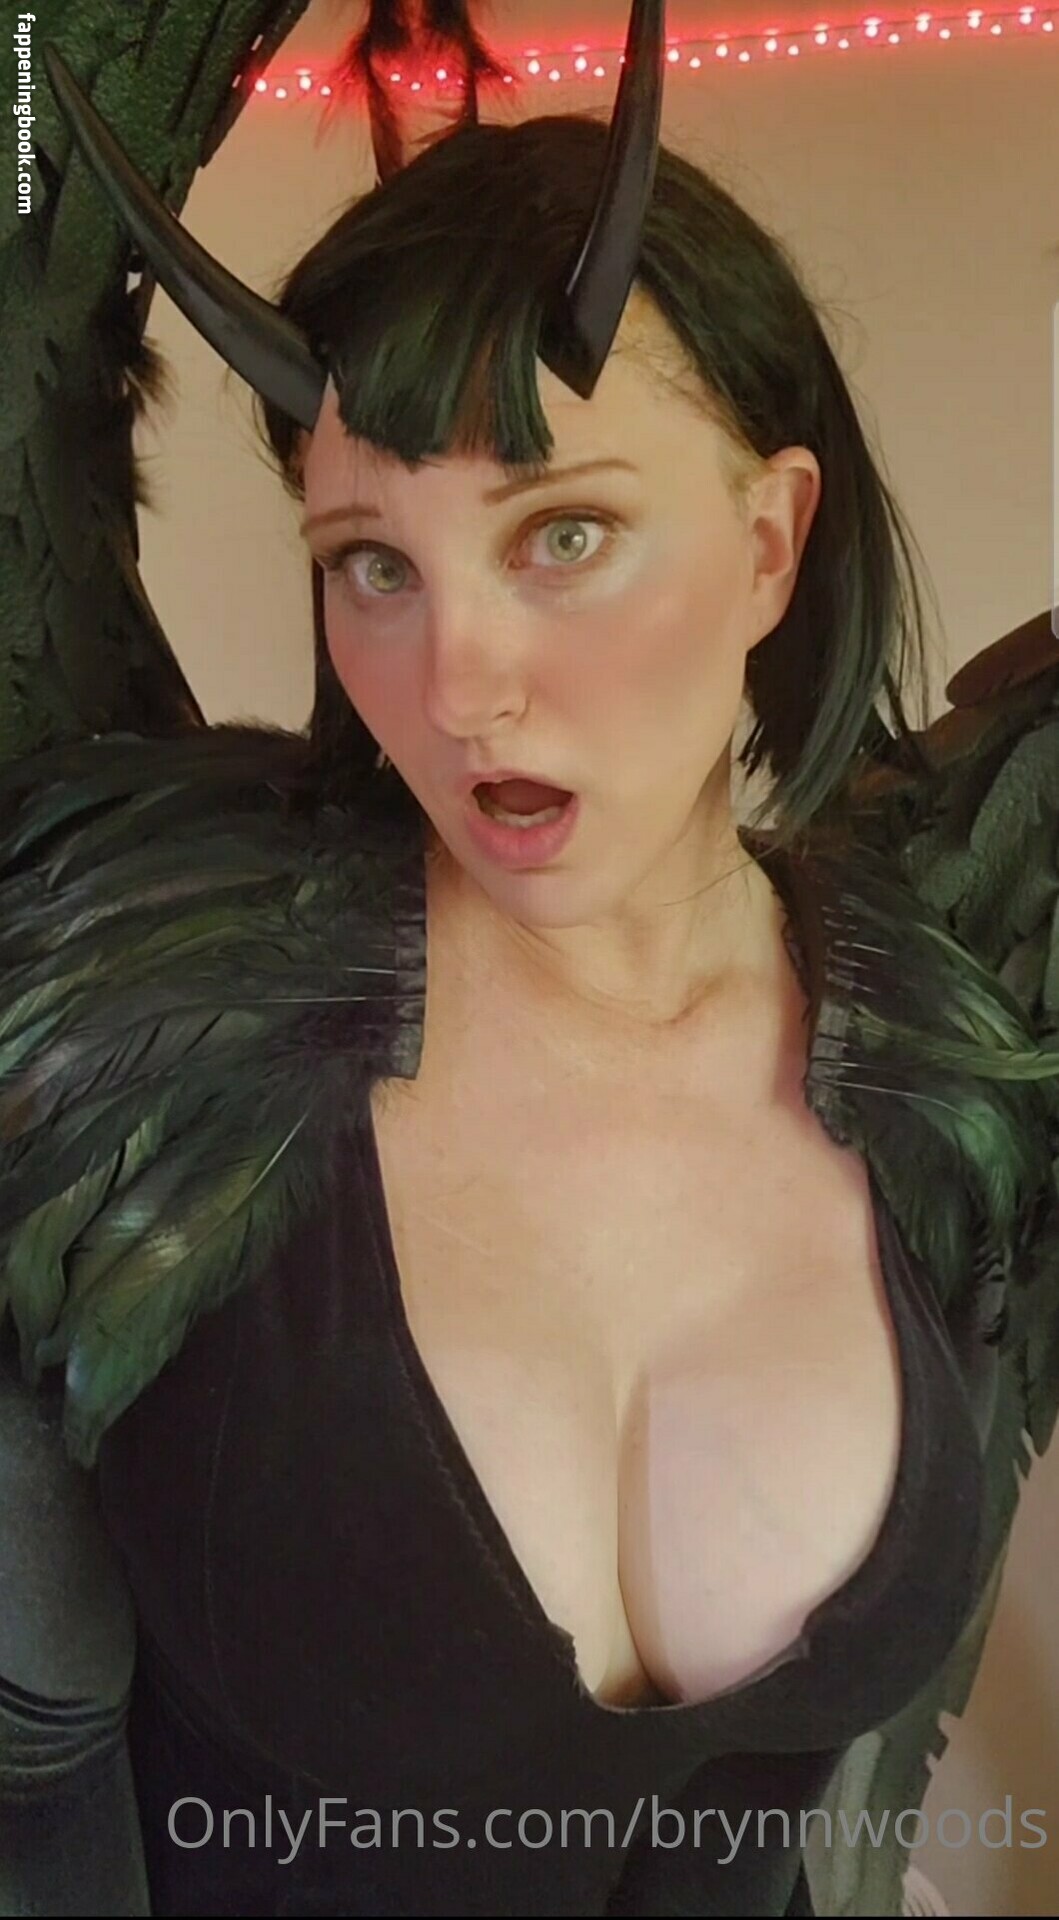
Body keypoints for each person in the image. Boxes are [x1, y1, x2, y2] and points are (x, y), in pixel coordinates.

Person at [1, 4, 1057, 1916]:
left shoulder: (945, 1066)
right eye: (374, 563)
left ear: (769, 542)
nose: (457, 685)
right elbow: (31, 1775)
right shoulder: (154, 1034)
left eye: (564, 533)